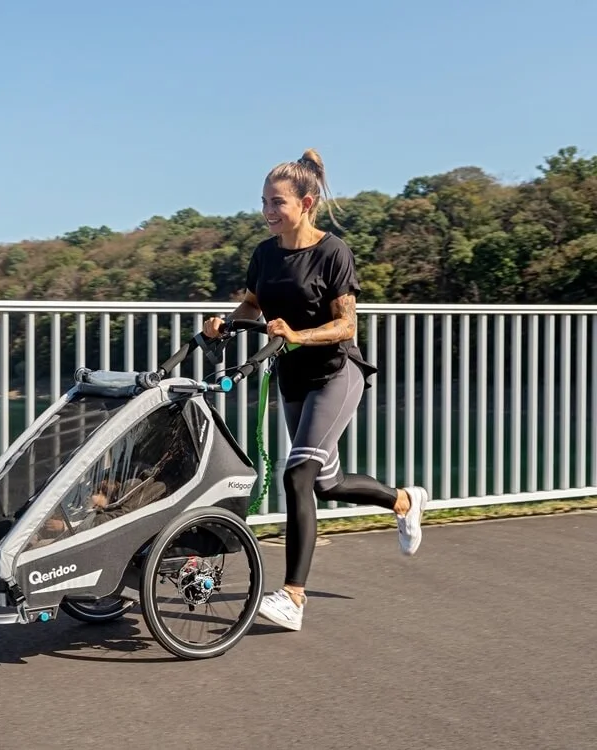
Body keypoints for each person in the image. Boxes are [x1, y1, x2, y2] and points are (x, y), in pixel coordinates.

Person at [203, 148, 429, 632]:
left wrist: (298, 336)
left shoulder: (333, 252)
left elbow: (346, 326)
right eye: (263, 202)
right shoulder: (264, 254)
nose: (267, 212)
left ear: (306, 203)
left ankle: (293, 597)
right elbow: (252, 305)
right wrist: (226, 325)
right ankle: (405, 501)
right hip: (293, 376)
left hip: (335, 373)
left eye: (277, 203)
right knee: (324, 482)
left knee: (297, 474)